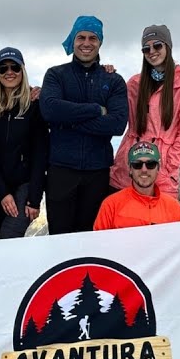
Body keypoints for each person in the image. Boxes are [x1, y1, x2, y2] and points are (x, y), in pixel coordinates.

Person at [39, 15, 128, 235]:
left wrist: (66, 121)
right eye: (81, 37)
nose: (86, 43)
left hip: (97, 172)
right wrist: (96, 110)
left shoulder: (113, 80)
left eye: (93, 38)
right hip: (61, 170)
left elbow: (117, 124)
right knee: (59, 237)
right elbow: (49, 110)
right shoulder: (56, 75)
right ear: (73, 39)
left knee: (92, 236)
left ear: (100, 43)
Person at [110, 24, 180, 196]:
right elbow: (115, 112)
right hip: (127, 168)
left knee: (159, 221)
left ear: (168, 46)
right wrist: (104, 77)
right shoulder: (135, 84)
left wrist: (167, 165)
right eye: (146, 48)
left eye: (157, 45)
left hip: (161, 171)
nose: (152, 51)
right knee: (122, 220)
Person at [0, 47, 49, 239]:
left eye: (14, 67)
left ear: (22, 70)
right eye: (3, 68)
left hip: (24, 184)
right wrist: (2, 193)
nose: (9, 72)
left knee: (10, 237)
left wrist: (34, 198)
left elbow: (40, 152)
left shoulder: (34, 103)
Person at [93, 142, 180, 231]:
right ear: (130, 169)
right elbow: (99, 245)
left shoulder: (173, 206)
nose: (144, 169)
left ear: (158, 168)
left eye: (151, 164)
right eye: (137, 165)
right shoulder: (111, 205)